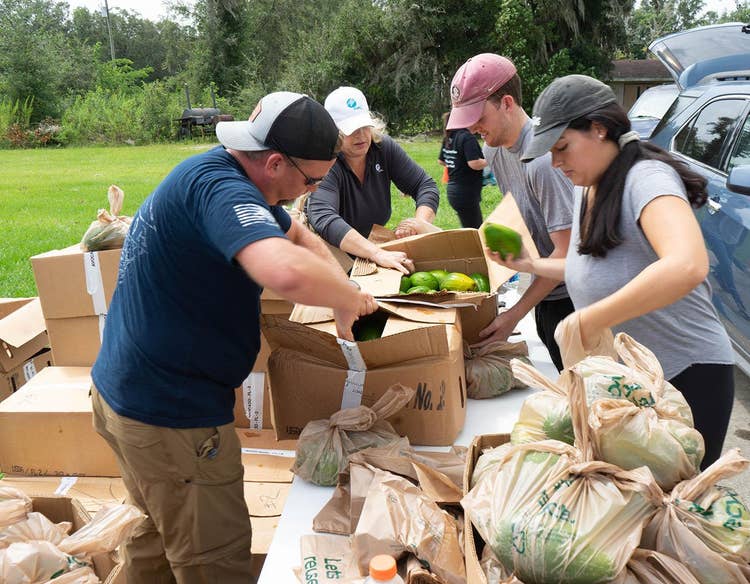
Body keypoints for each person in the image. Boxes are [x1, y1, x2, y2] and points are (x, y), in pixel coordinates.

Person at [90, 92, 378, 583]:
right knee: (215, 562)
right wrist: (353, 300)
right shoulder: (228, 193)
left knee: (157, 536)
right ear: (272, 162)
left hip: (125, 398)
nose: (304, 194)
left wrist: (341, 289)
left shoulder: (218, 174)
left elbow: (298, 236)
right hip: (173, 419)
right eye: (308, 181)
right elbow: (282, 270)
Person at [503, 73, 734, 467]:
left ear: (600, 129)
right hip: (632, 385)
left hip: (686, 378)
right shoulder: (586, 185)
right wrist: (529, 264)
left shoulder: (646, 178)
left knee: (672, 517)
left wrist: (590, 319)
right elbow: (589, 269)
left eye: (562, 147)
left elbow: (687, 263)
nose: (555, 162)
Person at [447, 53, 575, 371]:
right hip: (545, 293)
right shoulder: (496, 149)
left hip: (576, 299)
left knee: (586, 396)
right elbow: (521, 217)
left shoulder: (544, 161)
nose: (473, 127)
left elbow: (567, 257)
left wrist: (514, 314)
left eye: (479, 116)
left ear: (506, 103)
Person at [306, 86, 440, 275]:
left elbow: (424, 185)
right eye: (351, 130)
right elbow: (324, 217)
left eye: (364, 126)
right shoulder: (327, 163)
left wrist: (419, 224)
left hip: (371, 248)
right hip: (333, 256)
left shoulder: (382, 148)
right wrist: (376, 253)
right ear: (333, 132)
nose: (361, 135)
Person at [438, 111, 487, 228]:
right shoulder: (467, 137)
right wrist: (491, 160)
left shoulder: (449, 137)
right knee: (475, 230)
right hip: (466, 193)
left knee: (469, 227)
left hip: (453, 191)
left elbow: (441, 160)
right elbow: (474, 163)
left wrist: (456, 162)